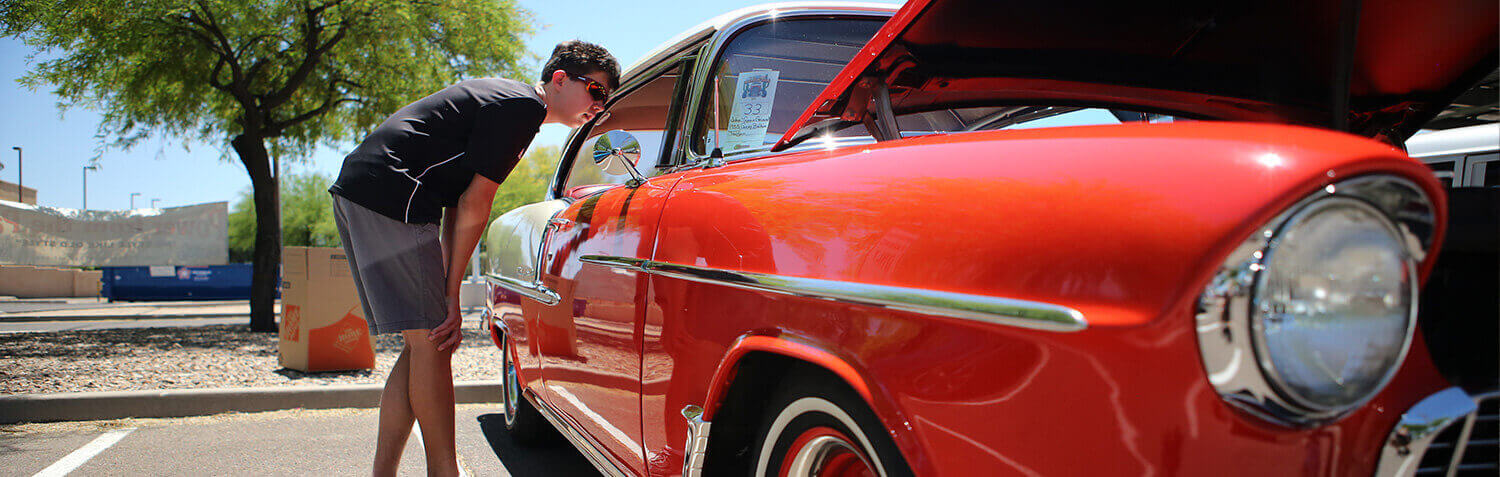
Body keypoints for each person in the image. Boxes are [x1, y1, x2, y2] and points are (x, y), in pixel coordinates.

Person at [328, 40, 618, 476]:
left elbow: (458, 204)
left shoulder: (510, 102)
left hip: (366, 191)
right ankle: (445, 470)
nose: (600, 105)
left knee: (420, 346)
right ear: (560, 80)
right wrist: (450, 298)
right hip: (390, 197)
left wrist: (447, 287)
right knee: (433, 340)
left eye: (607, 98)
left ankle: (385, 472)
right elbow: (477, 205)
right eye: (596, 91)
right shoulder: (522, 108)